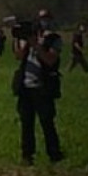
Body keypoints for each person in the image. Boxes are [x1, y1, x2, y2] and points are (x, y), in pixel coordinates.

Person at [13, 21, 65, 166]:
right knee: (26, 123)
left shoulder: (54, 39)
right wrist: (21, 40)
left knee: (47, 122)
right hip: (26, 87)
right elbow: (18, 56)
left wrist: (36, 45)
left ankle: (54, 154)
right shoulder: (25, 41)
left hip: (43, 88)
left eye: (46, 18)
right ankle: (27, 155)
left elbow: (50, 60)